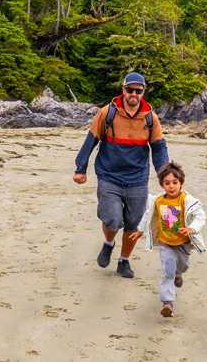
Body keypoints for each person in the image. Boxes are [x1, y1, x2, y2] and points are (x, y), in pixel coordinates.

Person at [73, 72, 169, 279]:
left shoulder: (151, 118)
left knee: (133, 223)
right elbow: (90, 141)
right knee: (112, 219)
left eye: (138, 90)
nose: (134, 94)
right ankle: (109, 243)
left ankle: (124, 261)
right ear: (123, 90)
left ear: (143, 92)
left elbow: (159, 149)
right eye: (130, 90)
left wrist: (165, 175)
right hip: (109, 176)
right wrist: (80, 169)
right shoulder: (107, 113)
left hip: (137, 179)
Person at [128, 162, 206, 317]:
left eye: (175, 183)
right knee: (167, 271)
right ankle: (168, 303)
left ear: (181, 183)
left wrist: (192, 228)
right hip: (166, 244)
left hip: (183, 243)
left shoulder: (187, 200)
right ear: (162, 185)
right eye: (167, 183)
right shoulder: (158, 201)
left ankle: (179, 274)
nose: (171, 186)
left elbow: (200, 216)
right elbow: (147, 215)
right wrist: (140, 230)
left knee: (183, 266)